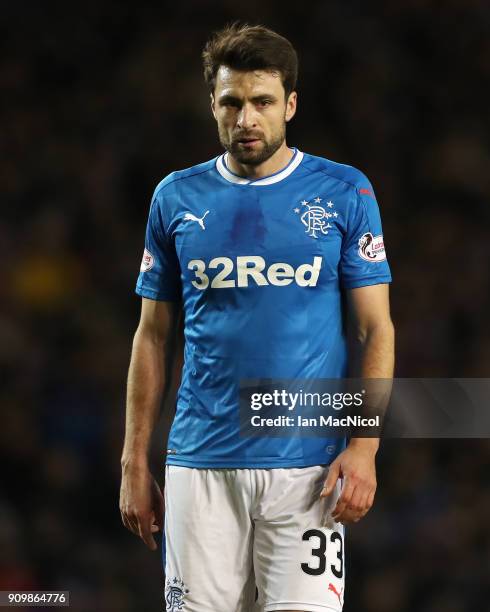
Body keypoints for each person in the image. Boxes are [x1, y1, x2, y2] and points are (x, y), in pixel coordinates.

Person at [120, 22, 394, 612]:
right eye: (232, 102)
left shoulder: (345, 193)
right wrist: (133, 462)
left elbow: (375, 328)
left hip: (309, 468)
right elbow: (152, 336)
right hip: (201, 464)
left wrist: (365, 446)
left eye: (263, 102)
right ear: (213, 107)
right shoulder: (175, 199)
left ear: (290, 105)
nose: (247, 118)